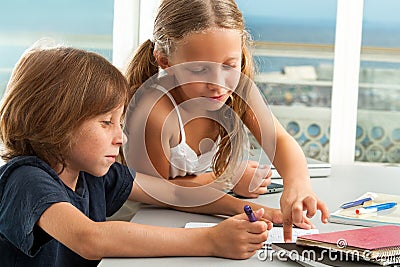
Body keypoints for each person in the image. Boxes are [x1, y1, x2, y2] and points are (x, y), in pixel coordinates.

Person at [0, 44, 275, 266]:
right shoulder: (26, 180)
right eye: (106, 122)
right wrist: (210, 241)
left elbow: (174, 194)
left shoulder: (90, 173)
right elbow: (90, 238)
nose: (121, 137)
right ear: (54, 122)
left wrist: (264, 214)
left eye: (119, 123)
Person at [124, 0, 329, 242]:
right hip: (135, 225)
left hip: (182, 216)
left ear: (241, 51)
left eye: (229, 65)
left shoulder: (238, 89)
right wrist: (227, 181)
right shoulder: (154, 113)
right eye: (200, 70)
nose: (218, 82)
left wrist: (298, 185)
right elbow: (161, 193)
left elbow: (279, 139)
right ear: (165, 62)